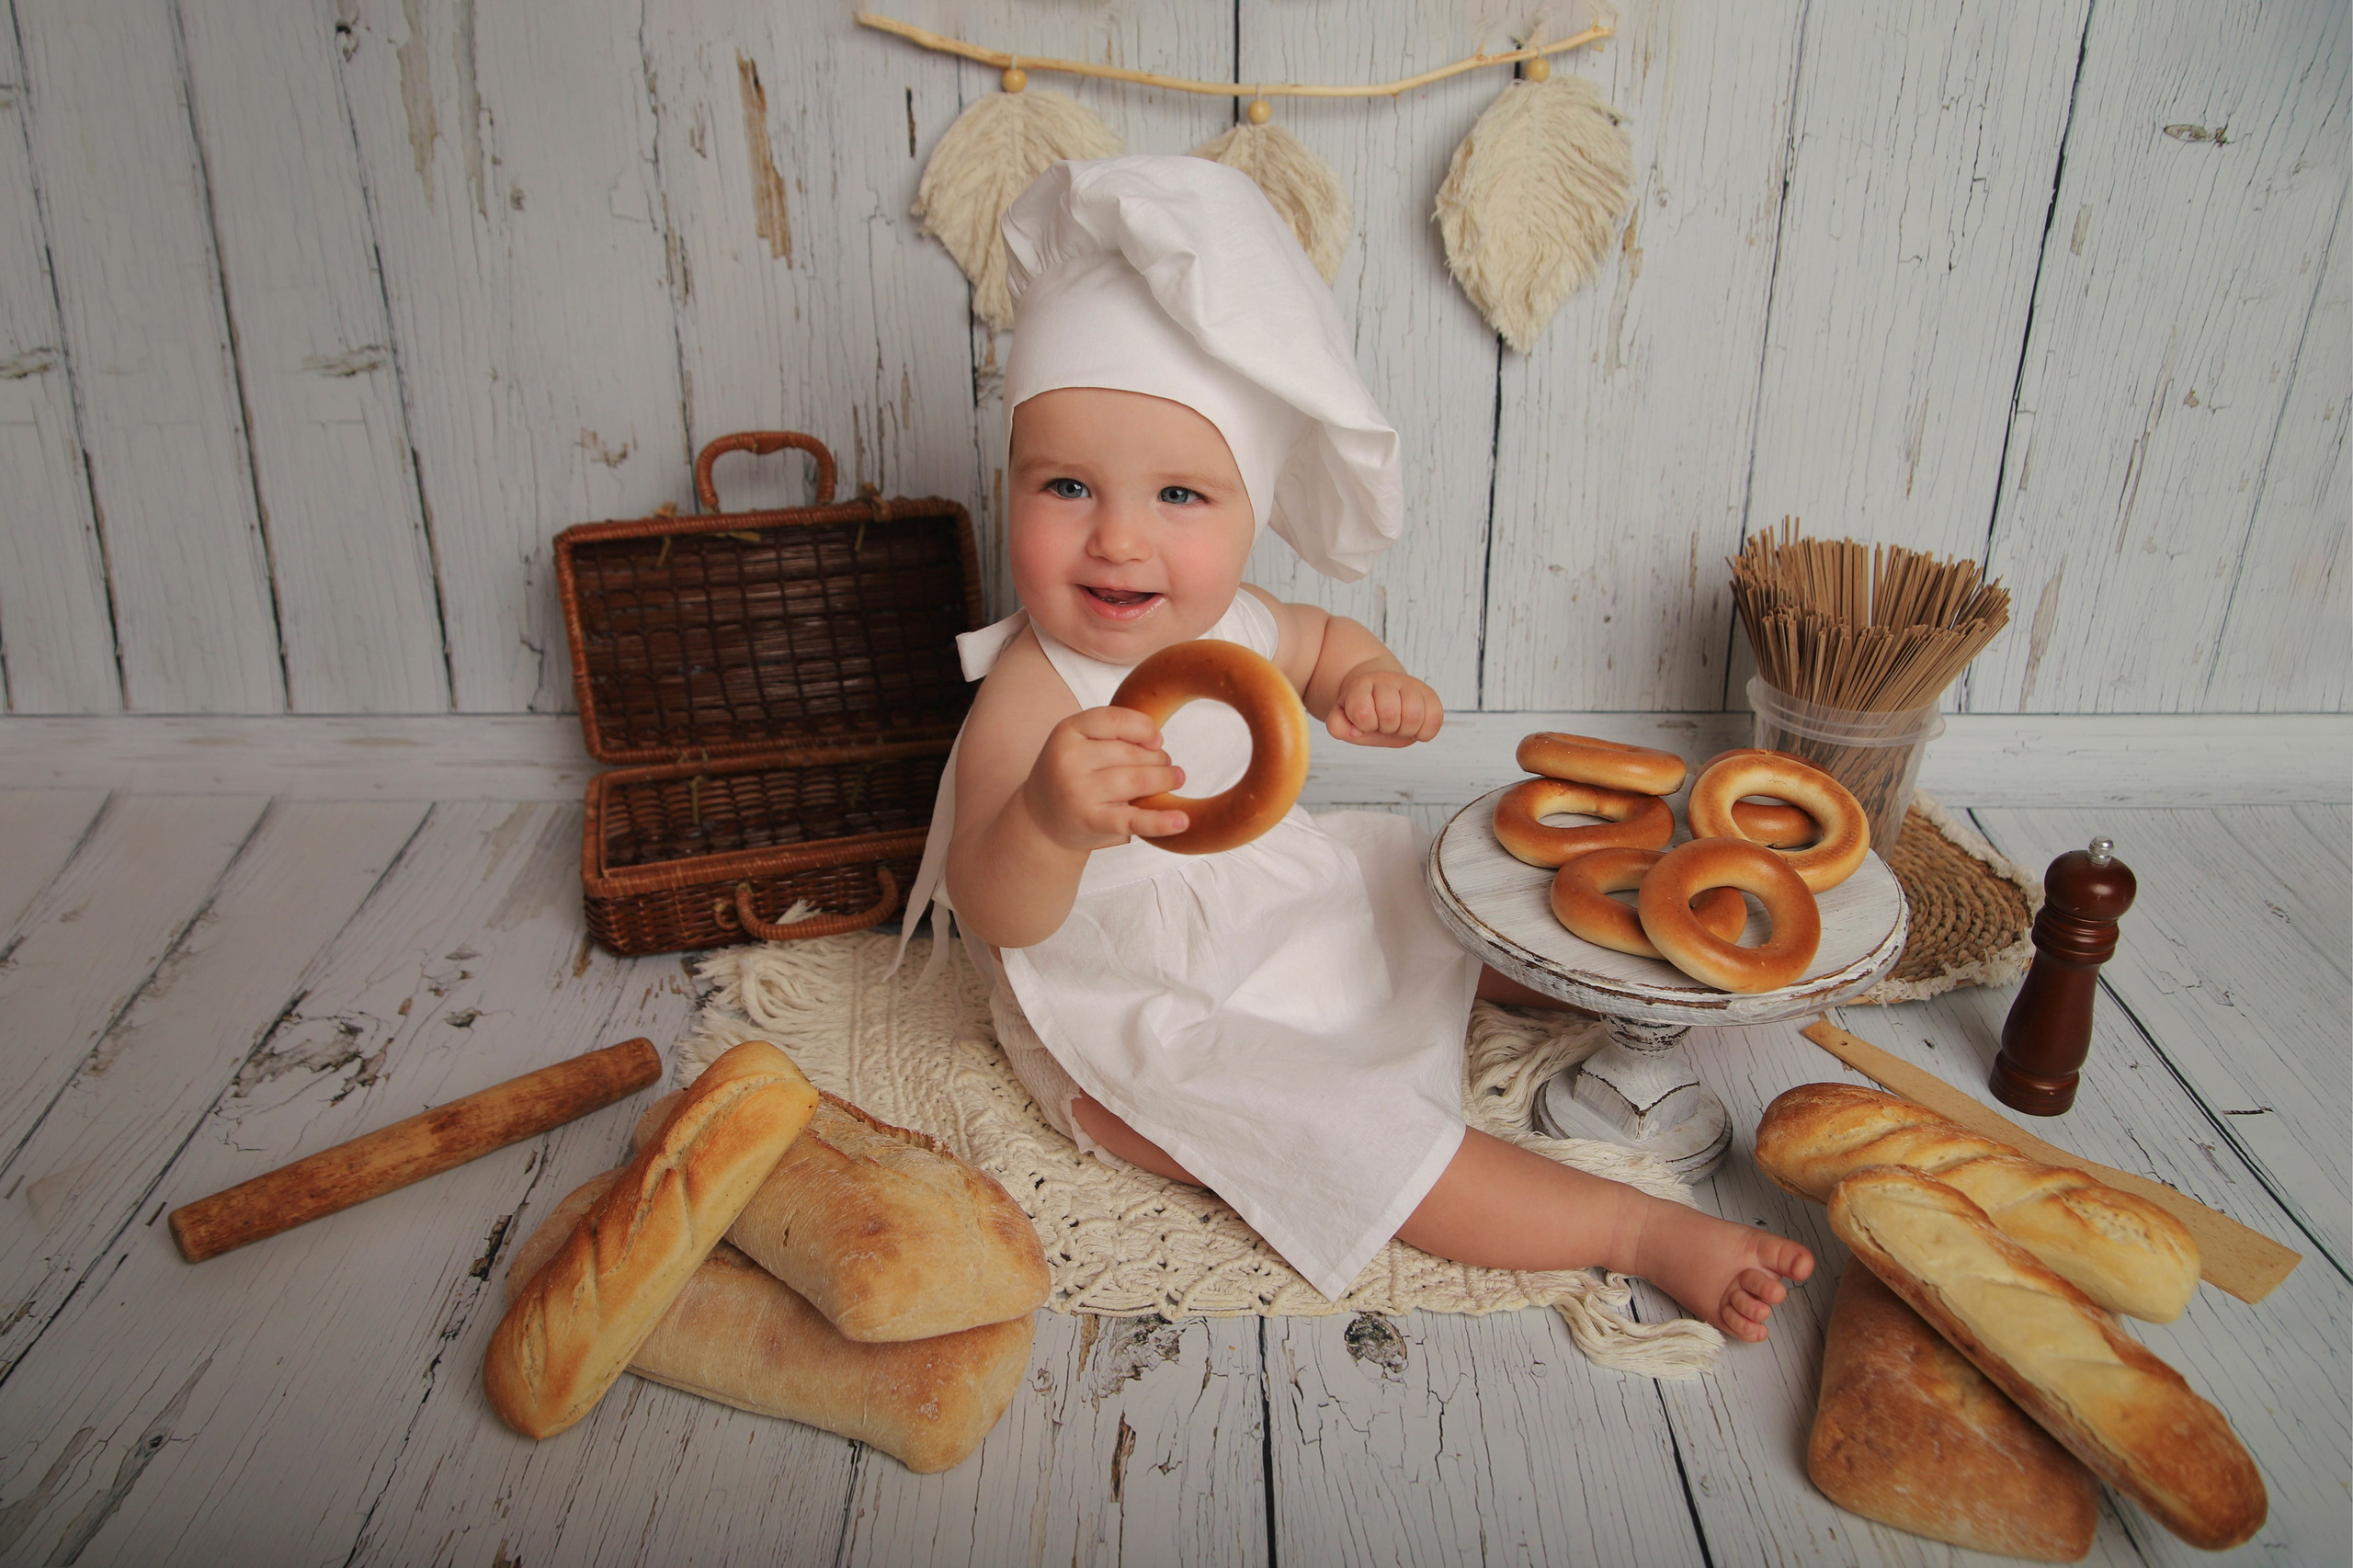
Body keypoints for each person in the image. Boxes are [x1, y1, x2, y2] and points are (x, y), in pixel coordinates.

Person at [898, 156, 1809, 1343]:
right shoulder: (1031, 687)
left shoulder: (1237, 623)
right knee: (1299, 1116)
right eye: (1067, 485)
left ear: (1254, 509)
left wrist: (1364, 679)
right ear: (1012, 483)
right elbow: (996, 908)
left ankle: (1576, 978)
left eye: (1179, 495)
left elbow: (1322, 642)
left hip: (1267, 891)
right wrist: (1049, 819)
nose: (1118, 539)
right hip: (1126, 978)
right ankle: (1632, 1228)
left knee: (1416, 879)